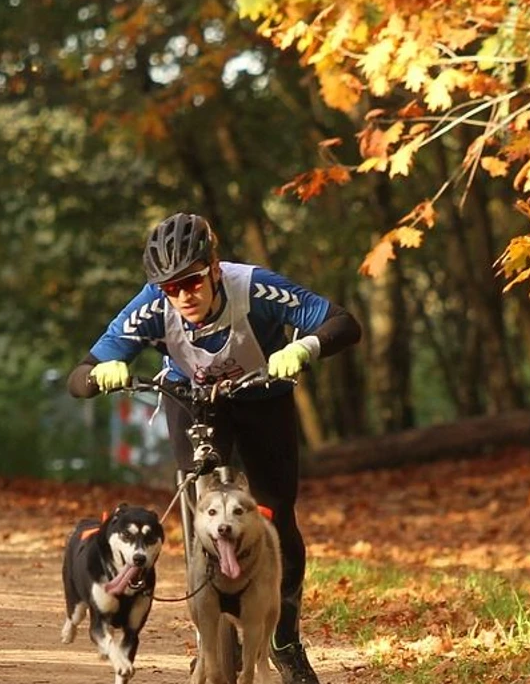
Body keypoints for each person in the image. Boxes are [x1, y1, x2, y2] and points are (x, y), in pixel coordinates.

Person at [66, 212, 361, 684]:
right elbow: (78, 376)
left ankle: (283, 638)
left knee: (275, 515)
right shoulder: (150, 307)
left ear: (215, 268)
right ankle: (213, 648)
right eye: (170, 287)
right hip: (191, 402)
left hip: (264, 398)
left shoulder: (255, 288)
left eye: (192, 281)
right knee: (200, 515)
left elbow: (344, 324)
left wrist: (304, 349)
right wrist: (102, 373)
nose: (183, 295)